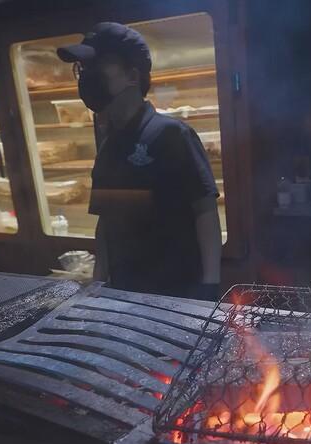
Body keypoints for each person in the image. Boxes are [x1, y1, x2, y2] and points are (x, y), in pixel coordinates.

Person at [57, 23, 222, 301]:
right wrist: (98, 280)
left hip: (176, 291)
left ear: (133, 75)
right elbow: (106, 221)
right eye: (83, 69)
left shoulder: (172, 134)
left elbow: (205, 210)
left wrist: (210, 285)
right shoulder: (109, 146)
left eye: (98, 65)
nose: (87, 76)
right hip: (125, 289)